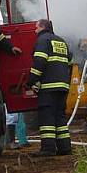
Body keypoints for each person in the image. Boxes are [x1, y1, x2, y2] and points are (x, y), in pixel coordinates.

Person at [26, 19, 72, 156]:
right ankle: (65, 148)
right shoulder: (61, 41)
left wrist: (31, 81)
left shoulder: (42, 40)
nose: (34, 31)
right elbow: (69, 62)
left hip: (49, 87)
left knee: (47, 117)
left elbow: (39, 62)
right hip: (63, 86)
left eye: (36, 28)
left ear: (42, 27)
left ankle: (48, 148)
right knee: (60, 118)